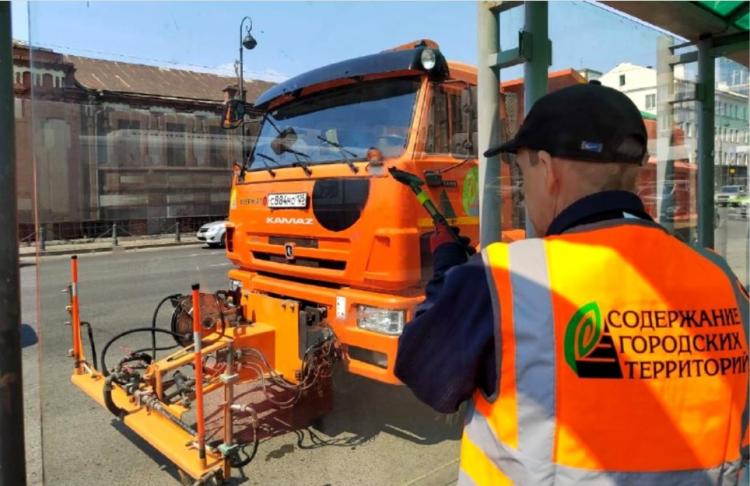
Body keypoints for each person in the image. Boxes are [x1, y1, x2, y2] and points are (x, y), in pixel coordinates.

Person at [395, 82, 748, 485]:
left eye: (522, 171)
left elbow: (423, 371)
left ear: (546, 169)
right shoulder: (720, 277)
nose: (524, 191)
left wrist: (448, 270)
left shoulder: (502, 277)